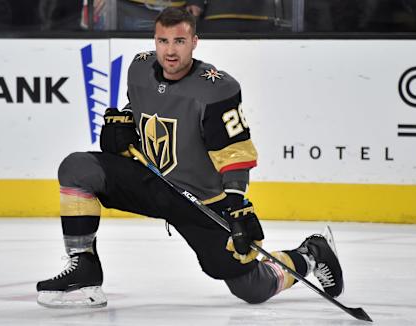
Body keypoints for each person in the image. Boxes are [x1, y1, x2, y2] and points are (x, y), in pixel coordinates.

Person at [36, 7, 344, 308]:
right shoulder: (139, 68)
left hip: (200, 200)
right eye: (163, 41)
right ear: (154, 41)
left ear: (194, 42)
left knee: (252, 287)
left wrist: (236, 205)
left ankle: (310, 254)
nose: (170, 51)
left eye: (179, 42)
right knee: (77, 167)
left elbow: (235, 152)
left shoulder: (217, 89)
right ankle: (85, 269)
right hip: (150, 179)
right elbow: (141, 106)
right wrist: (125, 123)